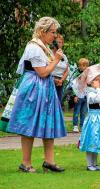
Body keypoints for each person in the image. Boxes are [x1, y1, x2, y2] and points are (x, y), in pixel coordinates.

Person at [7, 17, 66, 173]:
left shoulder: (43, 47)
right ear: (42, 31)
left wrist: (55, 77)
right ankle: (25, 163)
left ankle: (49, 161)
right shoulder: (34, 47)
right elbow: (42, 72)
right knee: (29, 124)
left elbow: (47, 72)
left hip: (45, 87)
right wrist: (57, 60)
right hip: (34, 89)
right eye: (52, 32)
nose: (55, 36)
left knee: (48, 123)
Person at [72, 58, 89, 132]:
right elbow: (73, 85)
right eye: (82, 65)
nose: (83, 67)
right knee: (76, 111)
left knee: (83, 112)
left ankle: (82, 126)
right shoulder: (77, 74)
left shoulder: (89, 75)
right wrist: (74, 95)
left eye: (85, 65)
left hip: (85, 95)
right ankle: (75, 126)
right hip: (78, 95)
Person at [51, 34, 69, 106]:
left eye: (60, 42)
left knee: (58, 102)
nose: (58, 44)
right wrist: (53, 79)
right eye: (57, 42)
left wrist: (61, 80)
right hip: (51, 79)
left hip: (60, 81)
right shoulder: (49, 54)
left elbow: (67, 70)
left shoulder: (64, 56)